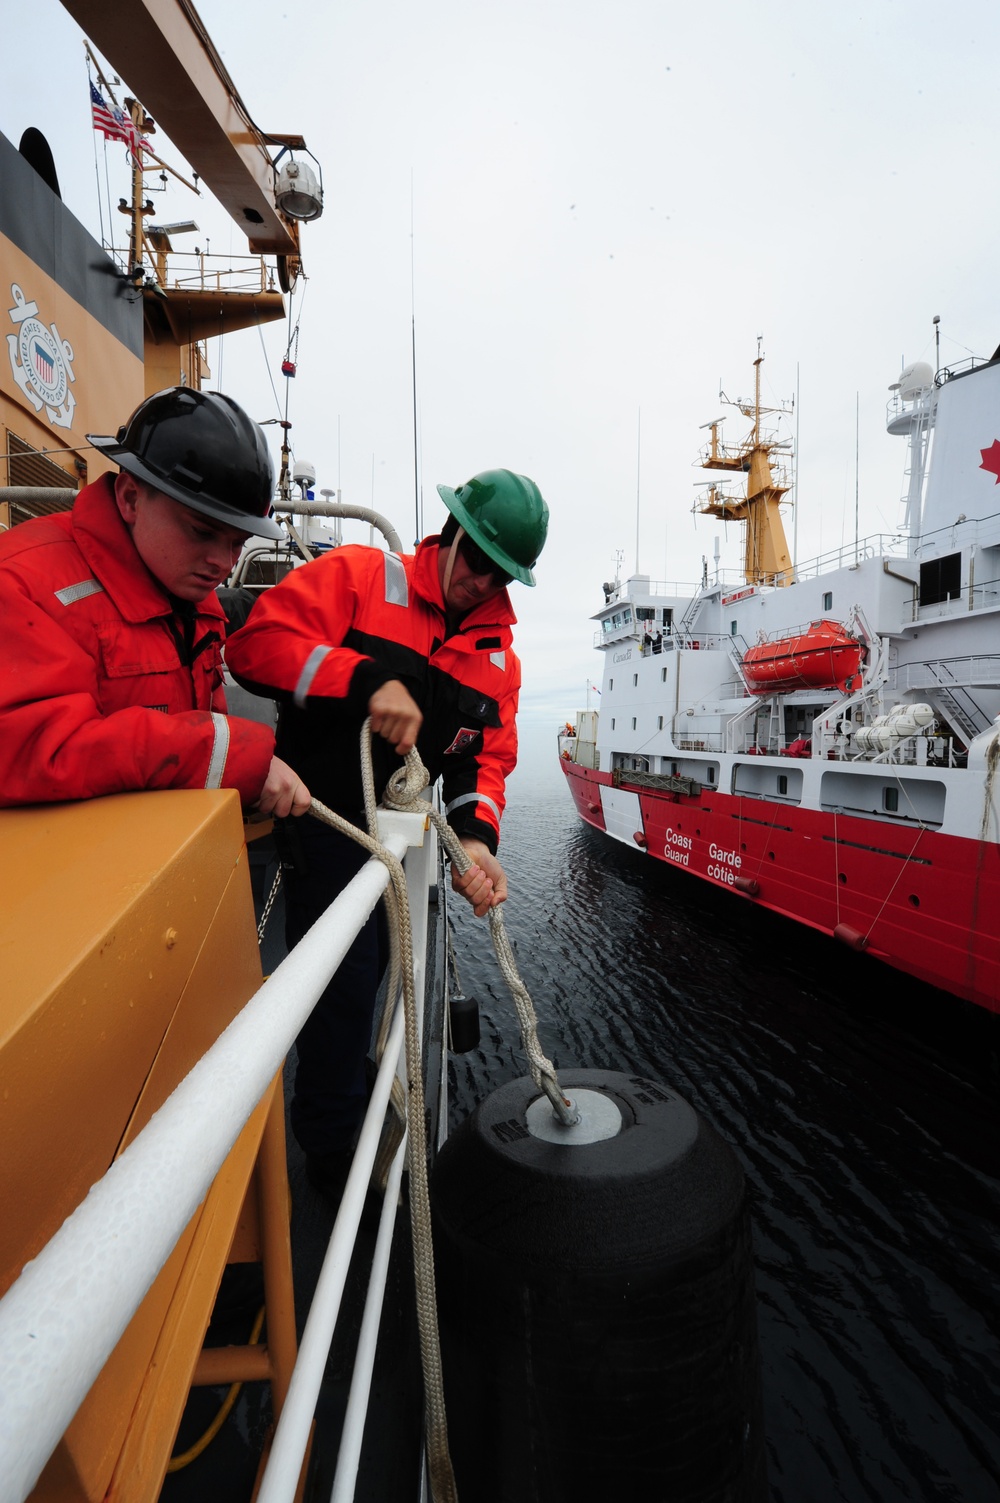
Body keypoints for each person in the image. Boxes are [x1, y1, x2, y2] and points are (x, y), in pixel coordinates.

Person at [226, 467, 549, 1195]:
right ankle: (333, 1151)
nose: (478, 581)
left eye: (498, 574)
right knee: (344, 984)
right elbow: (256, 644)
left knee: (368, 969)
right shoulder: (361, 577)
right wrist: (365, 679)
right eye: (474, 560)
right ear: (453, 532)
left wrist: (477, 841)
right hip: (323, 816)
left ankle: (345, 1095)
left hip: (391, 835)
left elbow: (483, 759)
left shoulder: (498, 660)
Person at [0, 386, 310, 817]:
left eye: (238, 542)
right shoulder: (20, 584)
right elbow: (27, 748)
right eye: (201, 532)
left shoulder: (195, 600)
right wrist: (226, 757)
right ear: (130, 498)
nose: (222, 562)